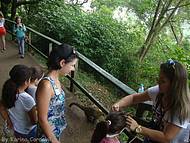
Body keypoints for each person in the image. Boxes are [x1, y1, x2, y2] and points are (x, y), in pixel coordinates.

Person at [112, 59, 190, 143]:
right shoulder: (159, 91)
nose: (158, 82)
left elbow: (167, 138)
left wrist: (138, 128)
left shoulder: (180, 108)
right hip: (154, 133)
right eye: (159, 78)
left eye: (163, 81)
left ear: (174, 85)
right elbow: (134, 98)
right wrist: (118, 104)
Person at [36, 43, 78, 143]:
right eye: (72, 65)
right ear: (62, 63)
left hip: (55, 130)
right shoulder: (46, 85)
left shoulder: (56, 79)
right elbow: (42, 119)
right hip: (46, 136)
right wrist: (54, 140)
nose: (73, 69)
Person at [1, 64, 37, 142]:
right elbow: (34, 121)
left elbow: (2, 108)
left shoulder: (7, 90)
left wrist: (9, 122)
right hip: (28, 131)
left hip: (16, 129)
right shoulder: (27, 99)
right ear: (26, 82)